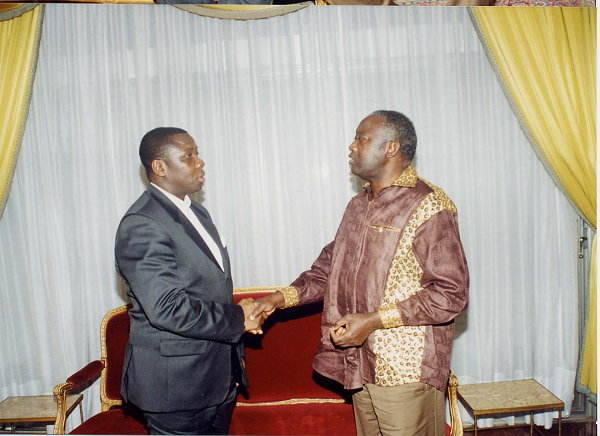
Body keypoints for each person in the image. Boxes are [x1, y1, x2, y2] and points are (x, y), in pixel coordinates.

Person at [251, 110, 469, 436]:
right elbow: (329, 267)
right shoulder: (359, 204)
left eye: (361, 138)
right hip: (359, 365)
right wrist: (280, 299)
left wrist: (373, 320)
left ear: (390, 148)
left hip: (405, 373)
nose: (351, 146)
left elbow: (451, 293)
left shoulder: (429, 205)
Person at [115, 127, 264, 435]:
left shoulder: (198, 212)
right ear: (159, 167)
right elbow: (167, 308)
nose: (201, 162)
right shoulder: (142, 224)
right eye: (189, 156)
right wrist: (239, 318)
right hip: (177, 389)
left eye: (198, 153)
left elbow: (208, 288)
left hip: (217, 380)